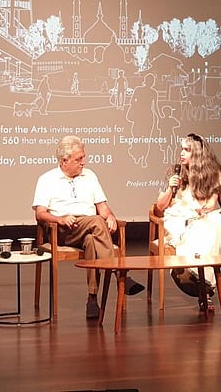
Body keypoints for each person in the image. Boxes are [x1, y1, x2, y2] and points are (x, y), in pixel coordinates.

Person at [32, 135, 144, 319]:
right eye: (79, 159)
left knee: (93, 239)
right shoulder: (47, 179)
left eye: (84, 157)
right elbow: (40, 213)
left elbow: (102, 207)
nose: (83, 162)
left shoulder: (90, 176)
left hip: (90, 227)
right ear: (64, 161)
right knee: (97, 222)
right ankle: (119, 273)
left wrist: (111, 218)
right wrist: (59, 219)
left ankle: (92, 298)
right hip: (64, 230)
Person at [155, 133, 221, 313]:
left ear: (196, 154)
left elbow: (212, 203)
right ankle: (196, 279)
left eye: (187, 150)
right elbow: (160, 207)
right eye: (182, 149)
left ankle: (205, 284)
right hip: (179, 217)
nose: (181, 153)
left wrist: (204, 209)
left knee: (215, 223)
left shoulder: (212, 173)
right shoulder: (175, 172)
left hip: (202, 216)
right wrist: (170, 189)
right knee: (194, 227)